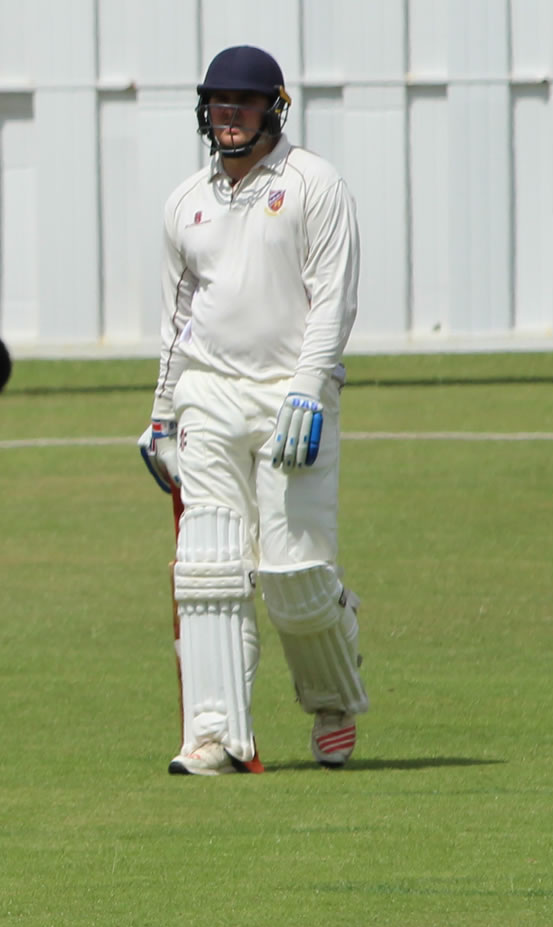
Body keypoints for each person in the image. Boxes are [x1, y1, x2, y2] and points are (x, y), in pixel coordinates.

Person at [139, 45, 368, 775]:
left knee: (293, 576)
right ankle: (216, 736)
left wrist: (310, 387)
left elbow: (333, 297)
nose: (228, 115)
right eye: (216, 103)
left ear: (275, 106)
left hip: (290, 397)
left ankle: (332, 699)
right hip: (208, 394)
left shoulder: (313, 185)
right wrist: (162, 413)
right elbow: (178, 318)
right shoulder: (187, 201)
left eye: (242, 102)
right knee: (208, 570)